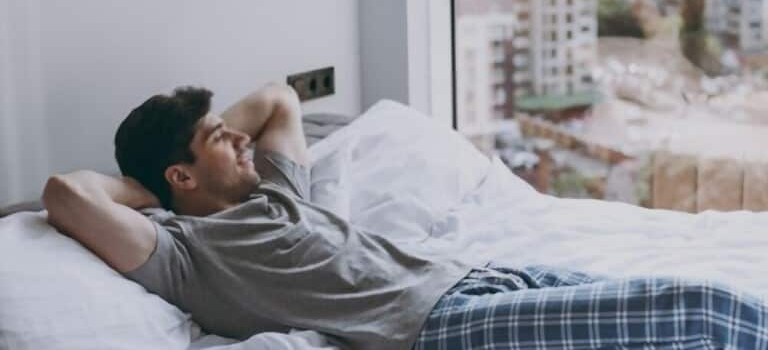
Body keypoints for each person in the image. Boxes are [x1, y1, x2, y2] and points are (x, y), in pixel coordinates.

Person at [43, 83, 768, 350]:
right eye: (219, 139)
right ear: (179, 175)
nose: (241, 138)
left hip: (481, 275)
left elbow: (279, 99)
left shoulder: (278, 191)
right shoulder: (186, 249)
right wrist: (152, 189)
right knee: (696, 307)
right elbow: (65, 195)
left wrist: (206, 138)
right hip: (431, 325)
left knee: (681, 325)